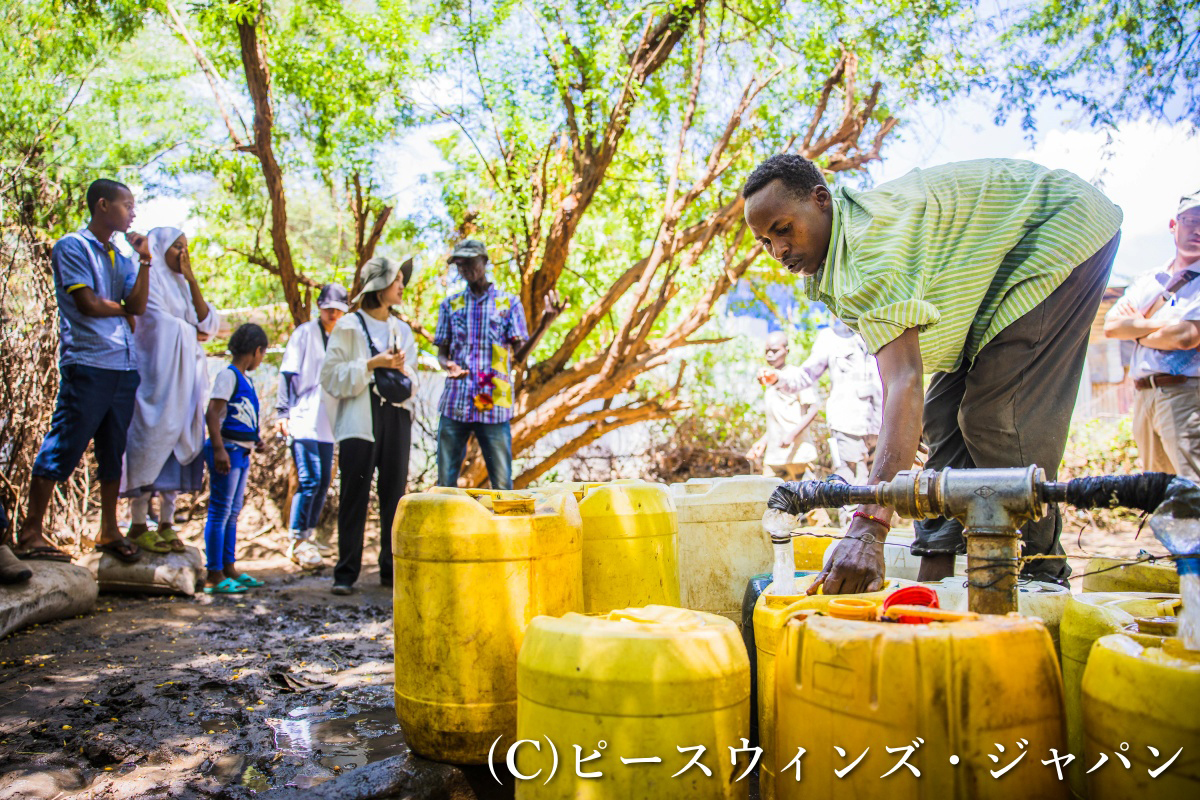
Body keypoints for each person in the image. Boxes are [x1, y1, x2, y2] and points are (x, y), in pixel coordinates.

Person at [742, 155, 1122, 592]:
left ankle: (1042, 581)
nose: (778, 251)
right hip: (991, 287)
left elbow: (904, 384)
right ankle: (933, 580)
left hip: (1060, 228)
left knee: (997, 418)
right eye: (765, 242)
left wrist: (868, 528)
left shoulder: (868, 249)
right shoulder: (841, 253)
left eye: (784, 229)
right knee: (944, 418)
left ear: (821, 200)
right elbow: (919, 400)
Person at [16, 179, 151, 564]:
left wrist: (144, 261)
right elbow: (88, 303)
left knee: (113, 449)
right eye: (127, 205)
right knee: (66, 443)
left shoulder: (124, 257)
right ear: (103, 205)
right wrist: (122, 309)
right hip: (88, 363)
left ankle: (108, 529)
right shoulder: (72, 246)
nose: (133, 213)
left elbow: (137, 305)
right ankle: (30, 533)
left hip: (124, 366)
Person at [320, 257, 418, 595]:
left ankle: (391, 571)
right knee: (354, 496)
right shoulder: (348, 326)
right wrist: (371, 365)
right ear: (379, 286)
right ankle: (345, 573)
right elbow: (330, 377)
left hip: (397, 417)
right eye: (396, 280)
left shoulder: (402, 330)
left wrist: (400, 373)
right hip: (359, 421)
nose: (402, 285)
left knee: (394, 496)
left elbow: (415, 379)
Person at [122, 227, 221, 555]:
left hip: (185, 384)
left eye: (185, 246)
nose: (182, 252)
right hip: (157, 380)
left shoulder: (182, 285)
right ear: (161, 247)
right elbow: (154, 325)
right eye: (176, 246)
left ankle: (166, 523)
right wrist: (190, 331)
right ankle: (138, 524)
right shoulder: (151, 282)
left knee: (179, 445)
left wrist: (192, 280)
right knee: (148, 445)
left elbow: (209, 325)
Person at [434, 239, 560, 489]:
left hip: (494, 405)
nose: (465, 268)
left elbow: (520, 356)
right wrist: (447, 365)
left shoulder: (508, 304)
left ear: (484, 262)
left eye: (470, 262)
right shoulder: (450, 305)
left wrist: (544, 325)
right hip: (455, 402)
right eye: (460, 264)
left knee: (502, 484)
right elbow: (442, 352)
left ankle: (505, 527)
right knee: (445, 484)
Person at [1104, 190, 1200, 480]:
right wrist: (1161, 327)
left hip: (1185, 394)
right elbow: (1112, 326)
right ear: (1174, 225)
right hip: (1144, 395)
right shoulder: (1149, 279)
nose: (1197, 230)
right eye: (1191, 220)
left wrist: (1138, 330)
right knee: (1158, 491)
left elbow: (1186, 336)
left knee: (1192, 488)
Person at [276, 283, 349, 568]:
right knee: (309, 479)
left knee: (322, 483)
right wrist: (283, 412)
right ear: (320, 306)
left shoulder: (343, 338)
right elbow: (287, 372)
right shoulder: (304, 333)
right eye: (329, 308)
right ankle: (296, 540)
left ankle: (308, 534)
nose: (333, 314)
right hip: (304, 415)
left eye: (338, 310)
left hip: (329, 421)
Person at [202, 323, 268, 594]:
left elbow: (241, 414)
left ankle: (228, 567)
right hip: (227, 451)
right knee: (220, 511)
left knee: (232, 512)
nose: (261, 359)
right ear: (255, 351)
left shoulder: (245, 379)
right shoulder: (228, 376)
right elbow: (213, 413)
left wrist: (256, 439)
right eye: (262, 354)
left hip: (242, 450)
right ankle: (213, 574)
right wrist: (218, 449)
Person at [746, 332, 820, 480]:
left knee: (806, 499)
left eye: (775, 350)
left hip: (798, 455)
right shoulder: (769, 378)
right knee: (769, 499)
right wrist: (763, 442)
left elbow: (814, 408)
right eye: (767, 351)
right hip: (774, 457)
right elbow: (779, 420)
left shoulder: (796, 376)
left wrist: (792, 434)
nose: (770, 355)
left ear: (787, 351)